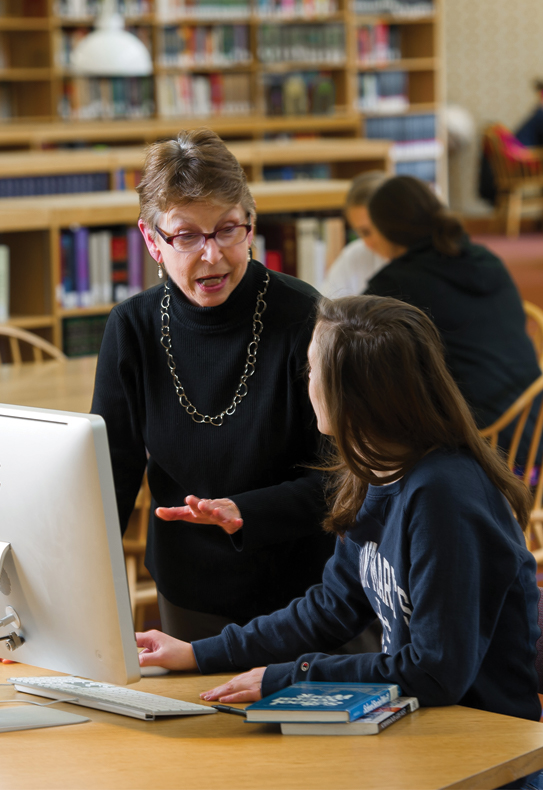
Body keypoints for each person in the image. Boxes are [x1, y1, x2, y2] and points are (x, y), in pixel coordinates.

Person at [135, 296, 541, 736]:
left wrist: (291, 676)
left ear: (352, 394)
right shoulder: (375, 469)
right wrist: (199, 653)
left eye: (312, 369)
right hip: (424, 728)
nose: (306, 381)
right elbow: (330, 609)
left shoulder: (444, 496)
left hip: (485, 745)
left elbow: (435, 671)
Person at [90, 128, 335, 643]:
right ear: (151, 238)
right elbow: (109, 476)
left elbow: (342, 477)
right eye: (186, 235)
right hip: (187, 588)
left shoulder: (303, 317)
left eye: (227, 230)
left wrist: (245, 510)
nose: (211, 255)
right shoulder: (131, 328)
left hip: (303, 590)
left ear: (251, 225)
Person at [362, 175, 542, 459]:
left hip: (479, 447)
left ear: (386, 231)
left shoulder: (391, 286)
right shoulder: (486, 259)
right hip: (532, 432)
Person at [320, 171, 389, 298]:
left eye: (380, 228)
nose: (373, 240)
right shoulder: (353, 256)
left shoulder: (423, 261)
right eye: (364, 233)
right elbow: (326, 309)